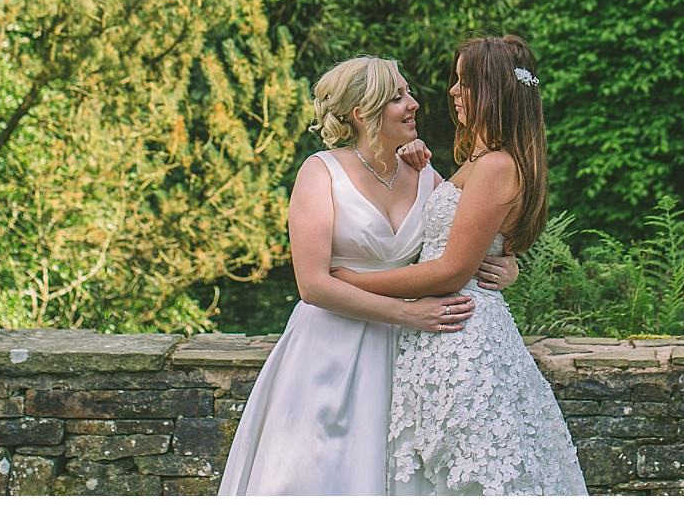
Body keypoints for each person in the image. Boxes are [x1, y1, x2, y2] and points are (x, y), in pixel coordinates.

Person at [218, 55, 521, 495]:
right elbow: (313, 284)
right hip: (329, 352)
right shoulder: (321, 173)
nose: (414, 103)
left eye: (408, 92)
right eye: (399, 96)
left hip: (407, 359)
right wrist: (409, 315)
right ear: (364, 112)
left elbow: (459, 244)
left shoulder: (425, 176)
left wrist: (506, 267)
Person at [331, 36, 587, 495]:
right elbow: (456, 234)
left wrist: (356, 283)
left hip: (460, 338)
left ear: (494, 91)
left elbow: (451, 270)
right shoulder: (482, 161)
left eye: (465, 81)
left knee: (467, 472)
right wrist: (418, 166)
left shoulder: (495, 167)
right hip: (442, 332)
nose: (452, 91)